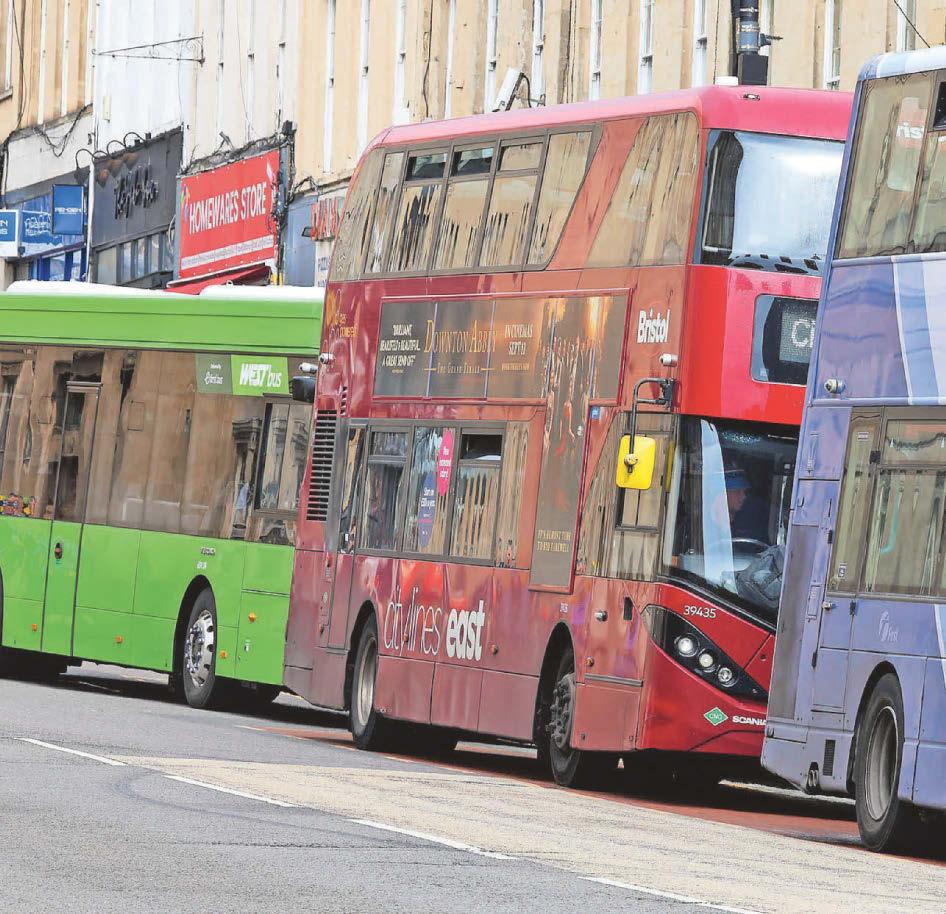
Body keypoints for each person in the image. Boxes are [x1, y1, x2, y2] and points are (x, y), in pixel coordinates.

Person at [724, 470, 769, 543]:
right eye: (737, 492)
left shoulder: (751, 517)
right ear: (723, 493)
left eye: (744, 491)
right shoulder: (705, 522)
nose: (744, 496)